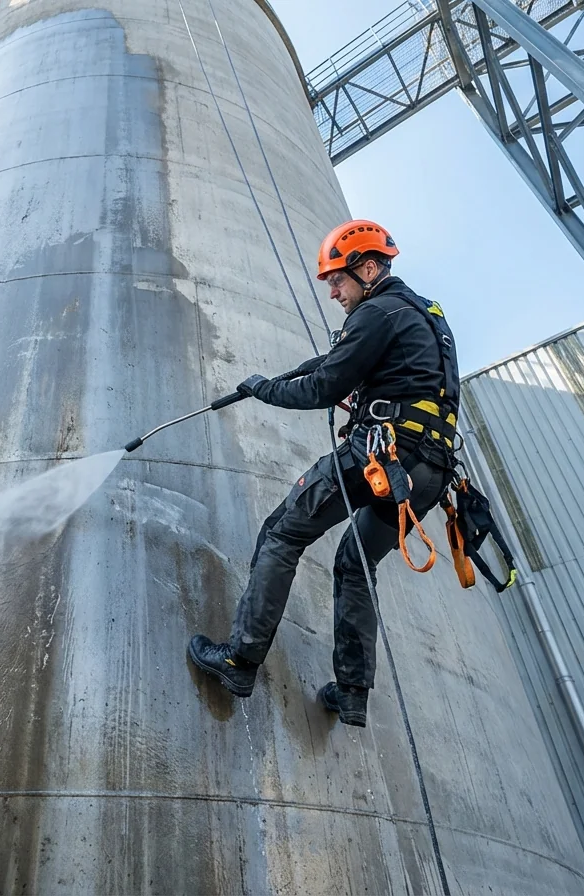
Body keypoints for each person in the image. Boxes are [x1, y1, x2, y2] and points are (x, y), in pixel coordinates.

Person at [188, 220, 460, 727]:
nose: (333, 291)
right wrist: (317, 367)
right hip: (428, 473)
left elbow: (323, 388)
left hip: (378, 458)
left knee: (281, 534)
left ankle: (239, 661)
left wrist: (263, 388)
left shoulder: (376, 311)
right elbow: (360, 365)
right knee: (357, 563)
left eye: (338, 279)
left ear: (369, 268)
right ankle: (353, 692)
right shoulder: (424, 315)